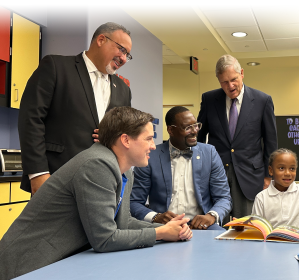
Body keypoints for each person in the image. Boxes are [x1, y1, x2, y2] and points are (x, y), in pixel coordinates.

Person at [0, 107, 192, 280]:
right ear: (125, 140)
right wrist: (160, 233)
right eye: (149, 138)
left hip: (56, 263)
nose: (153, 145)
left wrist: (169, 228)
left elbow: (122, 222)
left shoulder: (124, 170)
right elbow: (105, 239)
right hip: (26, 265)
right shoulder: (96, 164)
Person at [18, 22, 133, 195]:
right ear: (101, 40)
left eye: (127, 55)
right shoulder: (56, 67)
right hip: (56, 179)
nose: (124, 58)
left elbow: (124, 134)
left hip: (103, 184)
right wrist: (38, 174)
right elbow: (31, 119)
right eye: (122, 50)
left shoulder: (123, 89)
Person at [197, 55, 277, 225]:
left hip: (250, 175)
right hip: (216, 173)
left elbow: (271, 142)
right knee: (217, 224)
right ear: (218, 81)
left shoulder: (263, 100)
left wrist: (268, 176)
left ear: (242, 73)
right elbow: (199, 137)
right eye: (224, 82)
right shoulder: (209, 100)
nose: (230, 86)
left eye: (233, 79)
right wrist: (199, 167)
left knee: (247, 227)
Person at [130, 106, 232, 230]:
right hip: (163, 226)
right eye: (187, 127)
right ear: (171, 130)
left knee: (222, 242)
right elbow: (134, 202)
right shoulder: (150, 156)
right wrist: (156, 217)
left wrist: (211, 215)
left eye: (196, 125)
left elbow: (223, 197)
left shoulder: (209, 153)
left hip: (202, 225)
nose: (195, 131)